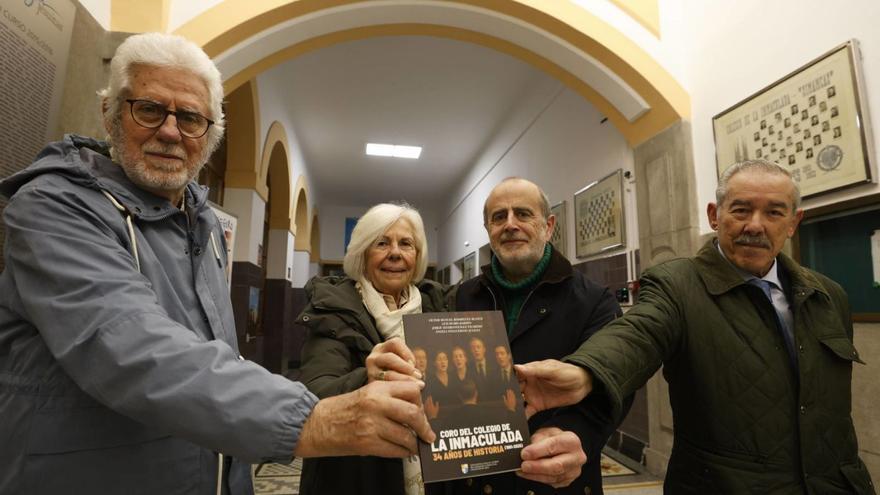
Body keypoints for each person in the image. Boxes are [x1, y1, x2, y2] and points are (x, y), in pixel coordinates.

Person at [0, 33, 433, 495]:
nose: (170, 132)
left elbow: (218, 357)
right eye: (148, 109)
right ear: (109, 113)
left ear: (210, 136)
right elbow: (130, 348)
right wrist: (314, 419)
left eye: (190, 118)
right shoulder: (55, 207)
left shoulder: (202, 226)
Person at [516, 160, 876, 494]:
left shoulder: (829, 295)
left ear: (793, 222)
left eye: (773, 212)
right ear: (715, 215)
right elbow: (639, 332)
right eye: (741, 210)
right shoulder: (677, 284)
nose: (755, 225)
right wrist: (586, 371)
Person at [432, 177, 626, 495]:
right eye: (499, 217)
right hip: (473, 478)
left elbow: (615, 382)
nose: (510, 225)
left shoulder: (594, 301)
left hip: (553, 478)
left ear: (548, 226)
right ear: (488, 230)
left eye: (522, 214)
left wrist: (575, 433)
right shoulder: (461, 297)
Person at [297, 202, 455, 495]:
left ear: (417, 256)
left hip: (433, 471)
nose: (395, 252)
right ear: (362, 254)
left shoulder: (442, 308)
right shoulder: (332, 309)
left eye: (405, 243)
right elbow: (313, 395)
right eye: (382, 243)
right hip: (352, 478)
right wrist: (367, 379)